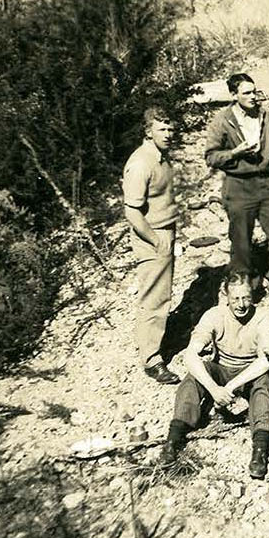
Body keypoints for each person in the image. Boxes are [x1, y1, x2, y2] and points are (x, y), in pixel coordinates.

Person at [160, 275, 269, 478]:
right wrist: (215, 389)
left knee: (264, 385)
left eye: (246, 298)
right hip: (221, 368)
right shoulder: (214, 315)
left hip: (249, 372)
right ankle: (174, 438)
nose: (241, 305)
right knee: (194, 377)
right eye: (236, 299)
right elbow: (190, 355)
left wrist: (230, 387)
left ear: (253, 296)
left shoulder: (263, 317)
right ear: (226, 297)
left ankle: (259, 449)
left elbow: (268, 359)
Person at [204, 73, 269, 305]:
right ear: (233, 95)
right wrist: (234, 153)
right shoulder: (222, 120)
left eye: (254, 91)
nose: (253, 97)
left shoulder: (266, 117)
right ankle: (243, 295)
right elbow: (210, 157)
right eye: (246, 93)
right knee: (241, 243)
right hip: (239, 186)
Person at [123, 107, 181, 385]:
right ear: (148, 131)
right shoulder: (141, 163)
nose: (169, 134)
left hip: (165, 230)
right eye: (162, 129)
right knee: (155, 299)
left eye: (171, 129)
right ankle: (151, 360)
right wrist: (157, 240)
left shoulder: (159, 156)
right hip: (153, 236)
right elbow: (132, 212)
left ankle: (154, 345)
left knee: (162, 294)